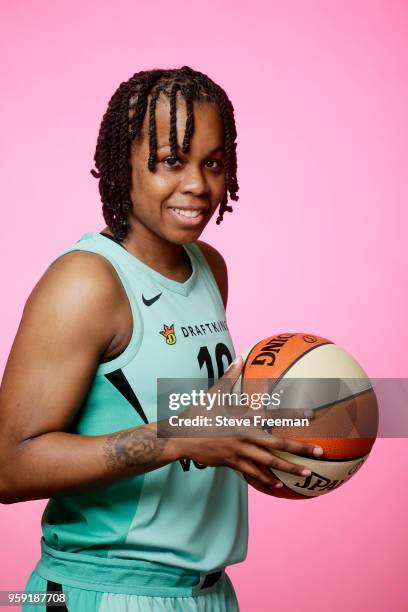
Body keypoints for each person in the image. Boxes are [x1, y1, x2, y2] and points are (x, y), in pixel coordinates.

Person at [0, 66, 323, 611]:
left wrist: (269, 437)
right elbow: (8, 465)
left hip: (206, 592)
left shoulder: (209, 268)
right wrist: (181, 437)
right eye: (172, 161)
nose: (198, 185)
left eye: (213, 163)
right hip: (100, 591)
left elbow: (184, 411)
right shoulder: (86, 282)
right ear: (122, 161)